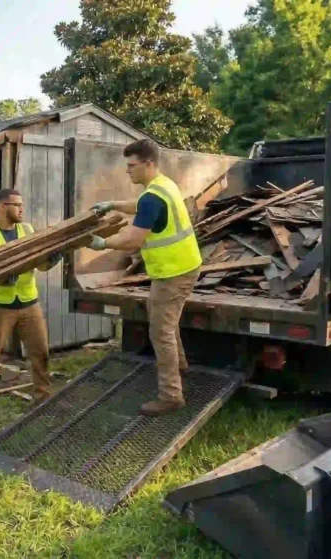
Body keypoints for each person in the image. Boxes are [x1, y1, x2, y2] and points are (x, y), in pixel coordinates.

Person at [87, 139, 203, 416]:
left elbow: (133, 239)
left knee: (160, 331)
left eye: (131, 165)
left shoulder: (153, 196)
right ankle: (180, 366)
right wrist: (113, 205)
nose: (128, 171)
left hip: (173, 272)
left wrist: (103, 244)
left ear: (148, 163)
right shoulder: (163, 185)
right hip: (181, 266)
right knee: (162, 317)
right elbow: (138, 205)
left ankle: (171, 396)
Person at [0, 189, 60, 429]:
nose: (21, 209)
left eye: (22, 204)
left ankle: (43, 398)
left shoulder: (27, 231)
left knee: (40, 354)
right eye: (16, 205)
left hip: (29, 304)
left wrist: (52, 259)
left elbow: (40, 266)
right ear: (1, 207)